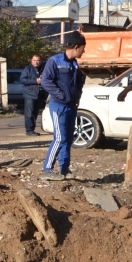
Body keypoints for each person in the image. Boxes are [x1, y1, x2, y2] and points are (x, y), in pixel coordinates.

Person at [40, 31, 87, 180]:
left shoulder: (74, 64)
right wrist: (61, 95)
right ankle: (47, 170)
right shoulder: (55, 61)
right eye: (83, 48)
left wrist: (76, 95)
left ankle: (64, 169)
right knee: (59, 138)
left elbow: (78, 82)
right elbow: (45, 81)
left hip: (71, 106)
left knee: (67, 138)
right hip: (58, 105)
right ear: (76, 46)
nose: (84, 51)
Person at [20, 53, 45, 135]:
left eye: (38, 60)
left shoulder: (43, 69)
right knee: (29, 113)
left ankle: (32, 129)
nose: (36, 62)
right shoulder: (27, 69)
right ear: (31, 60)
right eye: (34, 60)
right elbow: (23, 80)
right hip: (29, 94)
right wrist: (35, 81)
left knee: (35, 113)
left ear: (40, 61)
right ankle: (29, 130)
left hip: (40, 95)